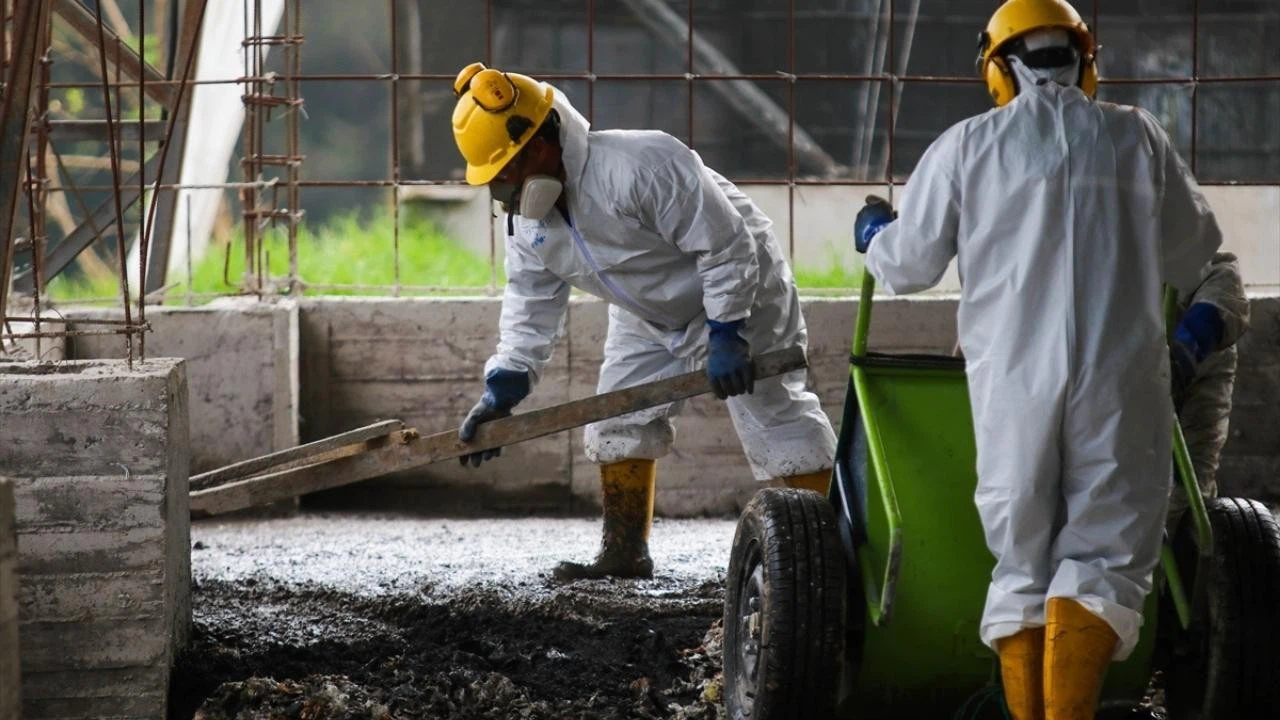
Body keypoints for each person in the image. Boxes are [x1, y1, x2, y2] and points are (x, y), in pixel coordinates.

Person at [851, 1, 1222, 718]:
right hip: (1120, 378)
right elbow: (1192, 251)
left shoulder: (967, 146)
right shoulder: (1138, 136)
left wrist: (874, 233)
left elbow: (907, 266)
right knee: (1106, 557)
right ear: (1086, 61)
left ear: (996, 68)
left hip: (1013, 383)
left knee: (1020, 561)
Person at [449, 62, 837, 581]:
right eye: (495, 182)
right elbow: (530, 300)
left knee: (777, 419)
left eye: (506, 173)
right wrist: (505, 386)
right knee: (617, 422)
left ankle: (824, 562)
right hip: (647, 316)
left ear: (540, 142)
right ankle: (625, 553)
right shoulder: (529, 224)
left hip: (743, 294)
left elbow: (727, 246)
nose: (505, 192)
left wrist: (726, 331)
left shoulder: (640, 166)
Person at [1168, 253, 1250, 531]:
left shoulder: (1209, 266)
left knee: (1185, 495)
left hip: (1194, 375)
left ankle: (1186, 544)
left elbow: (1224, 286)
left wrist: (1184, 352)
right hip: (1119, 383)